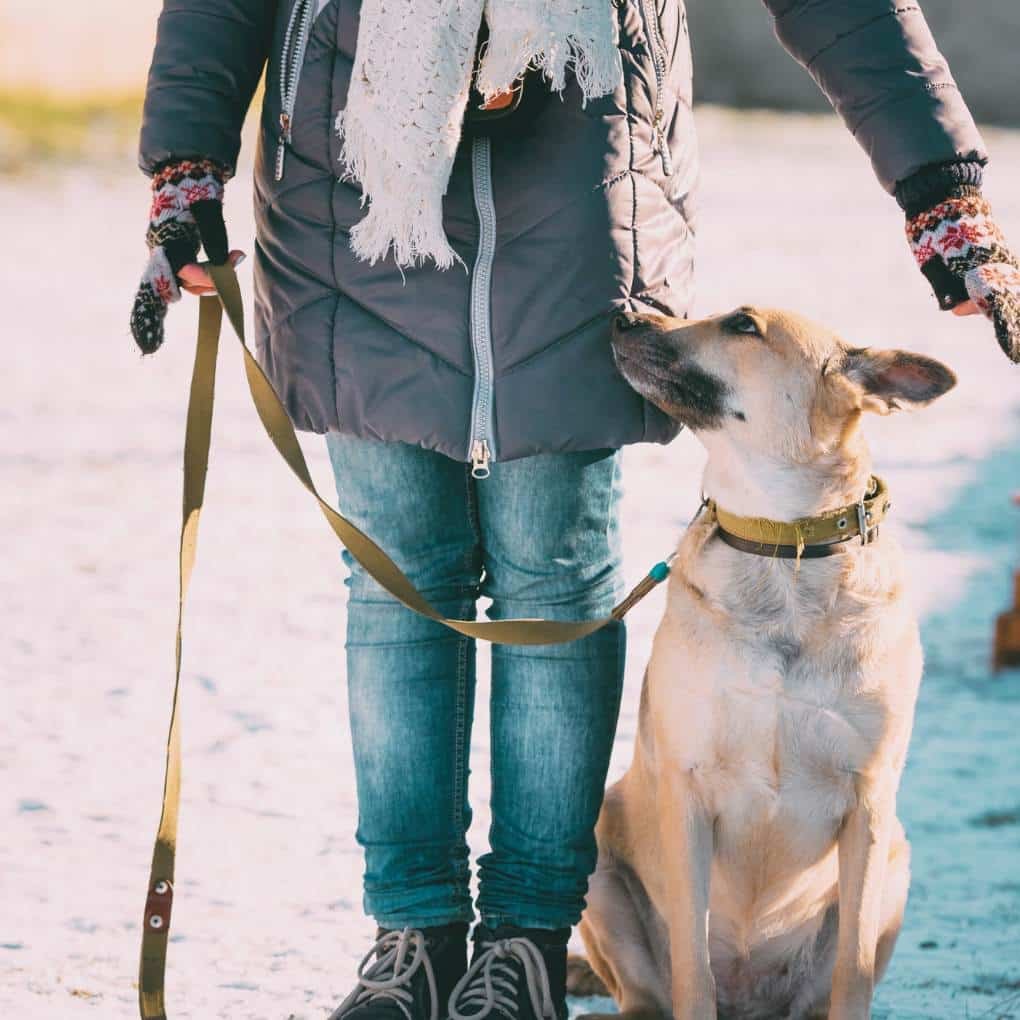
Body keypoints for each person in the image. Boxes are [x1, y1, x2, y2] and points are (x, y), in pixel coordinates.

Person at [130, 2, 1019, 1018]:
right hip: (356, 197)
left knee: (552, 577)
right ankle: (412, 938)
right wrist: (184, 164)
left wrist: (937, 186)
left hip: (585, 193)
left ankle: (527, 941)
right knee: (396, 591)